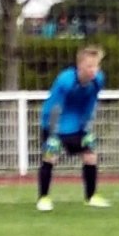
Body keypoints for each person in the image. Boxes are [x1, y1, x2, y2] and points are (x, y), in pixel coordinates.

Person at [36, 45, 111, 211]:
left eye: (96, 66)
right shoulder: (65, 80)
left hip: (76, 125)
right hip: (54, 122)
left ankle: (91, 197)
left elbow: (90, 104)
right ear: (80, 66)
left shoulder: (98, 80)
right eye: (89, 66)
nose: (94, 70)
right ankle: (44, 198)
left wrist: (86, 130)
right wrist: (52, 135)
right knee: (50, 156)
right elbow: (54, 107)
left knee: (90, 156)